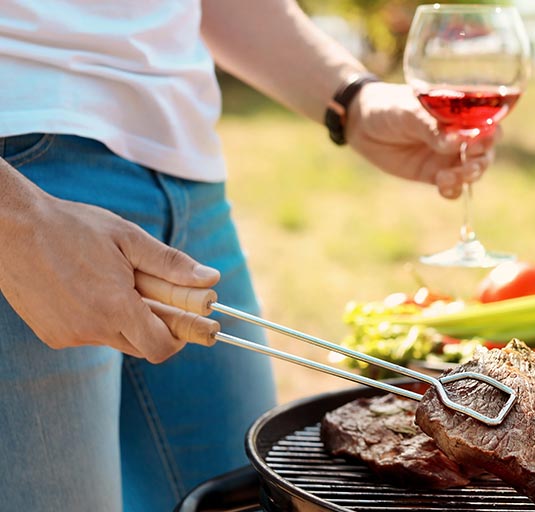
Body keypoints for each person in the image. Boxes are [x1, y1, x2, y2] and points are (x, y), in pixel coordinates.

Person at [0, 1, 496, 510]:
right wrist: (17, 223)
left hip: (186, 175)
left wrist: (353, 98)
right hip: (26, 186)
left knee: (252, 500)